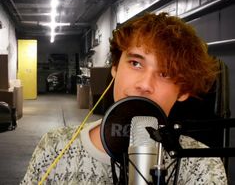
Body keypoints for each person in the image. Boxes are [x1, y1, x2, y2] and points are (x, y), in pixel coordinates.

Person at [20, 12, 227, 184]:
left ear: (183, 91)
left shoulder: (203, 165)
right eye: (136, 63)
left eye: (165, 74)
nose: (145, 84)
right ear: (115, 68)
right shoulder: (54, 146)